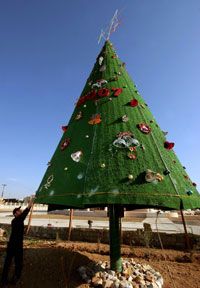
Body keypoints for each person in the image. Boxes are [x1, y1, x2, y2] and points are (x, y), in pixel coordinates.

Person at [1, 197, 34, 286]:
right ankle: (14, 279)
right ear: (15, 214)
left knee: (8, 262)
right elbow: (26, 211)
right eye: (19, 211)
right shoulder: (18, 219)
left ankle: (4, 279)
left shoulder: (15, 221)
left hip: (11, 244)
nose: (20, 211)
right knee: (18, 263)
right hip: (16, 245)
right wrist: (31, 202)